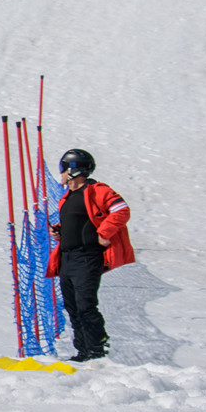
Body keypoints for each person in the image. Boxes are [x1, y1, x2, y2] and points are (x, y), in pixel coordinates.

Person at [46, 149, 133, 362]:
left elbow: (122, 210)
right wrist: (60, 231)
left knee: (85, 305)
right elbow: (81, 223)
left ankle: (97, 349)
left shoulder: (97, 190)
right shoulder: (67, 197)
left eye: (64, 168)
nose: (62, 173)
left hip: (87, 257)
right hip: (67, 257)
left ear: (74, 170)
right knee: (72, 306)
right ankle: (83, 351)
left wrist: (105, 233)